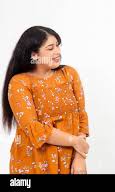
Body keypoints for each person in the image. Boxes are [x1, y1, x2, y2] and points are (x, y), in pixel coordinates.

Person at [2, 26, 89, 174]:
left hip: (70, 161)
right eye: (50, 48)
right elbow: (34, 129)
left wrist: (80, 157)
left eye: (58, 46)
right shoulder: (19, 82)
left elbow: (81, 116)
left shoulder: (69, 74)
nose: (57, 52)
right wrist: (73, 141)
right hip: (34, 163)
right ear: (34, 55)